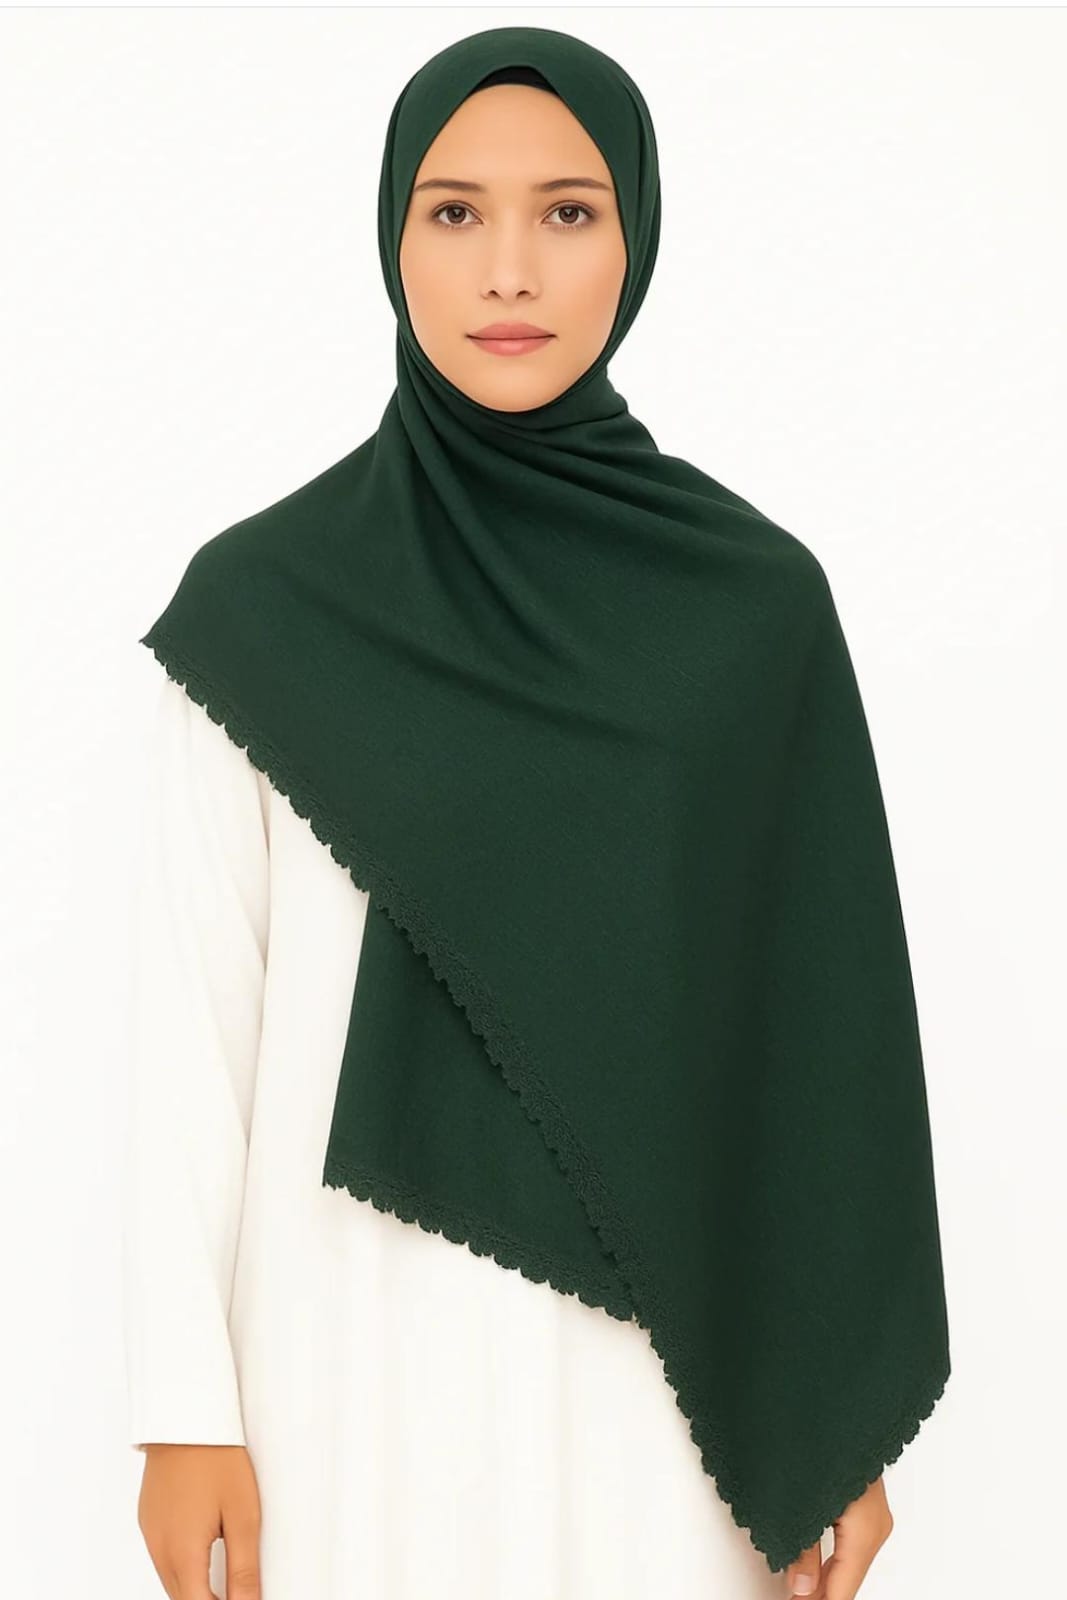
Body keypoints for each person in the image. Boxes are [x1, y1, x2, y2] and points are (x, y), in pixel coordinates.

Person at [124, 28, 947, 1600]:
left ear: (637, 238)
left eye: (568, 212)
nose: (509, 269)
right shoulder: (263, 610)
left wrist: (830, 1423)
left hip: (660, 1407)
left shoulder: (753, 614)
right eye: (454, 212)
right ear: (393, 237)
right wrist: (182, 1411)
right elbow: (194, 1027)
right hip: (337, 1374)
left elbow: (808, 1043)